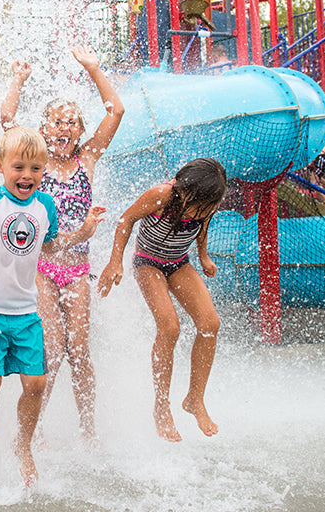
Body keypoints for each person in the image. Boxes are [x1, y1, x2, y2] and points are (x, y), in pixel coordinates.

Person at [0, 126, 105, 485]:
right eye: (18, 167)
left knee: (36, 383)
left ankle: (23, 444)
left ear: (43, 171)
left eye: (34, 168)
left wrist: (84, 232)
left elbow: (48, 246)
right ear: (0, 166)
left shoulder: (45, 205)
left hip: (25, 314)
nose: (26, 175)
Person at [0, 47, 125, 442]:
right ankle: (32, 433)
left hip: (77, 269)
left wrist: (93, 68)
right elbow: (7, 121)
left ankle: (90, 433)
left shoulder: (87, 159)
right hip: (41, 265)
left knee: (80, 352)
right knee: (52, 351)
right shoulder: (35, 160)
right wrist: (18, 80)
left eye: (73, 123)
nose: (66, 129)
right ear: (44, 127)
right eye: (58, 122)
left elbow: (116, 111)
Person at [96, 158, 227, 442]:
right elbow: (126, 219)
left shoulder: (206, 204)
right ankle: (161, 407)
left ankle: (195, 399)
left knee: (210, 323)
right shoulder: (162, 194)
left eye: (207, 208)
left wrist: (203, 256)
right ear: (184, 192)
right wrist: (114, 261)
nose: (201, 213)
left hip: (179, 262)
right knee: (170, 328)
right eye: (197, 206)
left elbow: (202, 225)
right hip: (148, 263)